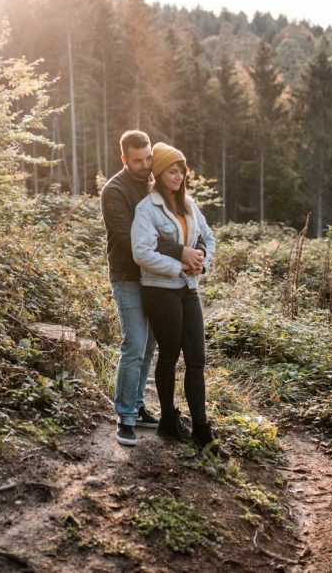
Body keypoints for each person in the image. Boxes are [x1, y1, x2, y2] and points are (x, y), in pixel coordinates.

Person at [101, 130, 205, 447]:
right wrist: (180, 253)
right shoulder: (114, 192)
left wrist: (194, 252)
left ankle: (138, 406)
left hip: (157, 280)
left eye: (148, 158)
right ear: (124, 159)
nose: (145, 165)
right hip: (128, 277)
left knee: (150, 347)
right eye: (137, 160)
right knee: (134, 342)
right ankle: (125, 418)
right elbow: (132, 239)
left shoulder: (152, 185)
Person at [131, 142, 226, 458]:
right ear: (159, 173)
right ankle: (169, 419)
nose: (178, 174)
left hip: (188, 289)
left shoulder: (189, 203)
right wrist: (179, 265)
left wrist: (203, 261)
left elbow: (208, 237)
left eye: (181, 170)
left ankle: (202, 431)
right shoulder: (147, 209)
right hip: (160, 289)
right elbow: (141, 253)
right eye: (172, 170)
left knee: (197, 358)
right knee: (170, 354)